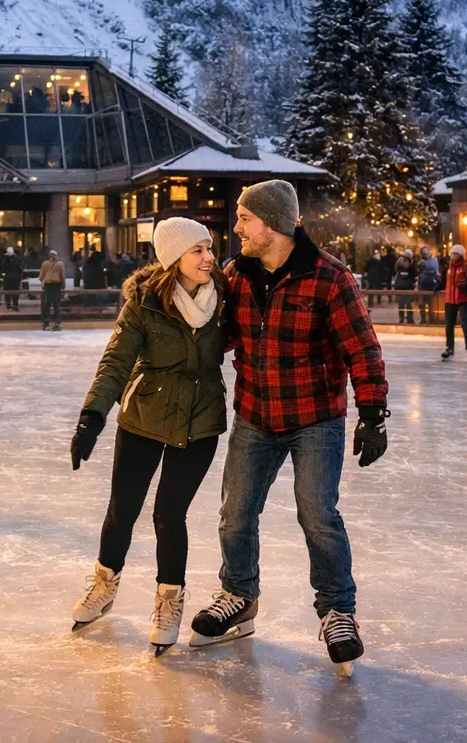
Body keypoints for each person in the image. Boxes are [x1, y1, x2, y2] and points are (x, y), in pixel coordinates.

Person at [189, 180, 388, 676]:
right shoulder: (236, 275)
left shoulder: (330, 278)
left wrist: (372, 412)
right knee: (235, 513)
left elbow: (361, 348)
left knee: (317, 513)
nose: (236, 228)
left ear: (272, 223)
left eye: (244, 219)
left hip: (315, 418)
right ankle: (239, 595)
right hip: (256, 414)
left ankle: (337, 611)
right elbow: (217, 335)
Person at [68, 218, 229, 653]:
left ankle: (168, 600)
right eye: (198, 251)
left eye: (210, 249)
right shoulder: (144, 301)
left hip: (201, 421)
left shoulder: (226, 298)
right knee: (123, 508)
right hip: (144, 416)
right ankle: (104, 586)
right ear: (174, 257)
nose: (209, 258)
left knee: (168, 513)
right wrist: (92, 416)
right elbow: (116, 361)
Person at [441, 244, 467, 362]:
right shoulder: (448, 267)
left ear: (460, 255)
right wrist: (436, 287)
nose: (452, 256)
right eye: (451, 254)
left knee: (465, 325)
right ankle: (449, 348)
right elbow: (443, 281)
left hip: (463, 300)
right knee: (449, 325)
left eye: (455, 254)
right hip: (449, 300)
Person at [40, 249, 66, 331]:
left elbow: (41, 276)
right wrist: (63, 284)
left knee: (48, 304)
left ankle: (47, 323)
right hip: (56, 286)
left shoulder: (45, 264)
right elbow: (63, 275)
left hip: (48, 286)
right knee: (56, 305)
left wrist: (44, 282)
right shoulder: (60, 264)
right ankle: (57, 323)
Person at [416, 246, 441, 324]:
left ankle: (432, 319)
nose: (426, 252)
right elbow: (418, 271)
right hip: (423, 283)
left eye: (426, 250)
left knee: (431, 303)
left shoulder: (435, 260)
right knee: (422, 303)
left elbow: (436, 271)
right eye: (424, 251)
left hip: (431, 283)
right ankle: (423, 319)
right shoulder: (420, 262)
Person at [393, 248, 417, 324]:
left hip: (403, 286)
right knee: (405, 304)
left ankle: (404, 318)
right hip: (406, 287)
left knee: (404, 304)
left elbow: (396, 270)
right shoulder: (407, 264)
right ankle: (406, 318)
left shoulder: (401, 262)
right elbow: (414, 274)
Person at [1, 246, 24, 311]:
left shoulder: (7, 260)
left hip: (11, 278)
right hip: (12, 278)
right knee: (12, 293)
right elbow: (21, 268)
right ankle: (12, 305)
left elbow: (3, 268)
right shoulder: (15, 260)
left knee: (11, 293)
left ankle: (12, 305)